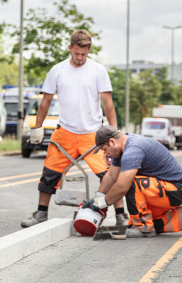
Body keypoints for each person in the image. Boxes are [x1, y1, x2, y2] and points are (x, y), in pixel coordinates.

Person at [21, 29, 127, 228]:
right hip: (65, 133)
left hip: (93, 135)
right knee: (49, 174)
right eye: (76, 53)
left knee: (110, 174)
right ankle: (41, 213)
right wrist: (37, 128)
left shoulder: (98, 71)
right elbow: (45, 102)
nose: (79, 58)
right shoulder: (57, 70)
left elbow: (108, 103)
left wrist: (115, 132)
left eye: (83, 54)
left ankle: (121, 214)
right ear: (70, 48)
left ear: (89, 51)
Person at [82, 126, 182, 238]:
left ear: (112, 142)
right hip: (162, 190)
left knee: (130, 183)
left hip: (175, 190)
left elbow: (122, 186)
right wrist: (98, 198)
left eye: (104, 149)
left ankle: (142, 228)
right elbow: (111, 176)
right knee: (143, 221)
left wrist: (103, 203)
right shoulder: (123, 149)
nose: (105, 154)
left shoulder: (133, 150)